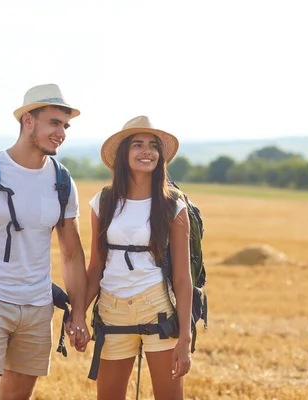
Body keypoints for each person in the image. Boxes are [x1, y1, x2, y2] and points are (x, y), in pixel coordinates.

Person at [0, 83, 90, 400]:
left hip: (39, 308)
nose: (61, 133)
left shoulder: (63, 180)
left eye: (65, 126)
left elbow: (72, 255)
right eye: (54, 123)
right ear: (28, 120)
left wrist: (78, 313)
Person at [85, 116, 193, 400]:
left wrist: (185, 338)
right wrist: (76, 315)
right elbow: (96, 265)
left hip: (157, 306)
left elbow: (182, 277)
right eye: (138, 145)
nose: (147, 151)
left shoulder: (173, 206)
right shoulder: (103, 201)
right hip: (111, 308)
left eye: (153, 146)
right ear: (124, 154)